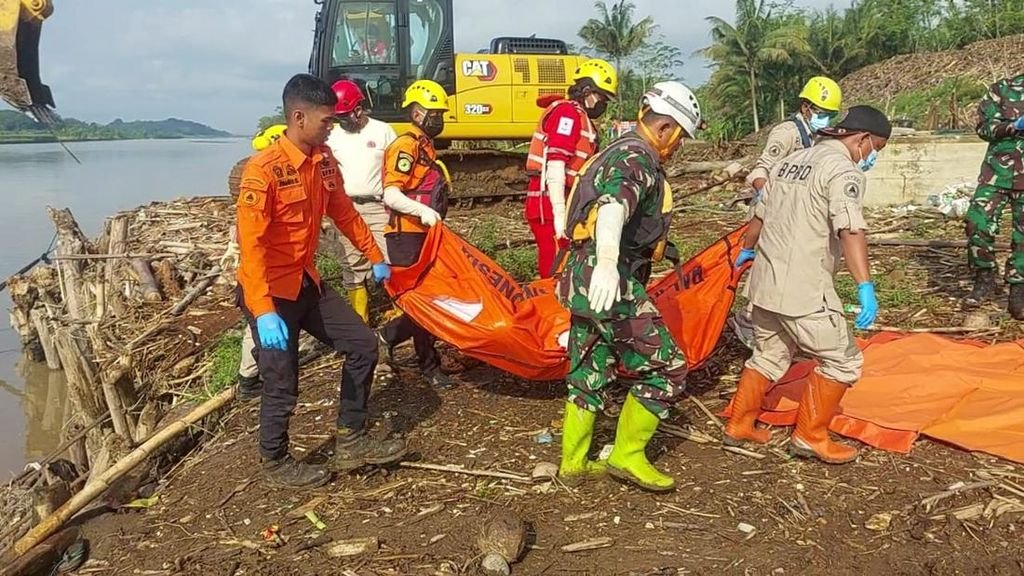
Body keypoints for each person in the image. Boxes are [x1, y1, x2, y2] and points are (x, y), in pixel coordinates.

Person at [237, 73, 406, 488]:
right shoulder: (263, 172)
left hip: (305, 282)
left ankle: (351, 439)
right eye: (327, 120)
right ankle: (275, 461)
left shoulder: (323, 159)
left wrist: (374, 255)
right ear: (299, 117)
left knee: (363, 345)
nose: (333, 125)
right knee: (281, 378)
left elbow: (344, 212)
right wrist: (262, 311)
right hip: (270, 293)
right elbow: (251, 246)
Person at [724, 105, 891, 465]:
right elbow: (850, 229)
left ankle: (739, 424)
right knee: (843, 361)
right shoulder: (842, 171)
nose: (873, 156)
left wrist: (747, 251)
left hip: (765, 284)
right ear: (862, 139)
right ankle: (810, 436)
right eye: (876, 147)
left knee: (769, 355)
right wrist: (865, 285)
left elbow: (759, 213)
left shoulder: (790, 162)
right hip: (805, 289)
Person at [556, 81, 701, 493]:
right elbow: (613, 205)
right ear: (668, 128)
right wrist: (606, 264)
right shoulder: (635, 157)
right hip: (606, 279)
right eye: (681, 137)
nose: (678, 146)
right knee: (667, 368)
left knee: (589, 365)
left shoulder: (616, 148)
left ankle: (573, 462)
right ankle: (627, 455)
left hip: (581, 278)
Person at [731, 76, 843, 349]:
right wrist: (772, 198)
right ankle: (748, 320)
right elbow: (761, 170)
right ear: (806, 107)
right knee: (769, 271)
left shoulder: (818, 136)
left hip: (797, 218)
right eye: (822, 113)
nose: (825, 119)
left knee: (790, 272)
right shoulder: (787, 133)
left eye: (830, 115)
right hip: (772, 215)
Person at [375, 79, 453, 388]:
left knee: (429, 299)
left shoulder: (424, 145)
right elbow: (391, 195)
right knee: (423, 302)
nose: (439, 119)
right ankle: (426, 363)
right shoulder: (405, 146)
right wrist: (423, 212)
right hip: (405, 235)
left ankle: (394, 340)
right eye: (434, 113)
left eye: (441, 114)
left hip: (423, 234)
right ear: (417, 112)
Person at [524, 58, 617, 278]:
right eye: (601, 96)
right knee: (556, 265)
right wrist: (559, 215)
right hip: (550, 202)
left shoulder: (579, 116)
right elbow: (556, 164)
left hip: (563, 200)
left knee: (563, 264)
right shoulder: (567, 113)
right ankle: (551, 309)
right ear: (586, 90)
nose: (603, 103)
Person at [325, 80, 397, 324]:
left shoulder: (383, 131)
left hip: (377, 206)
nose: (343, 121)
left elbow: (396, 168)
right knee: (352, 263)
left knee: (390, 258)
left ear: (359, 109)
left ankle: (400, 311)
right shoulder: (331, 136)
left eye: (347, 116)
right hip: (345, 207)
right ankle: (361, 320)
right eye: (339, 117)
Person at [964, 74, 1024, 319]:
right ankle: (985, 277)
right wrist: (1014, 125)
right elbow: (983, 128)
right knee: (976, 223)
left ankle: (1018, 287)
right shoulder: (1004, 88)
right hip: (995, 174)